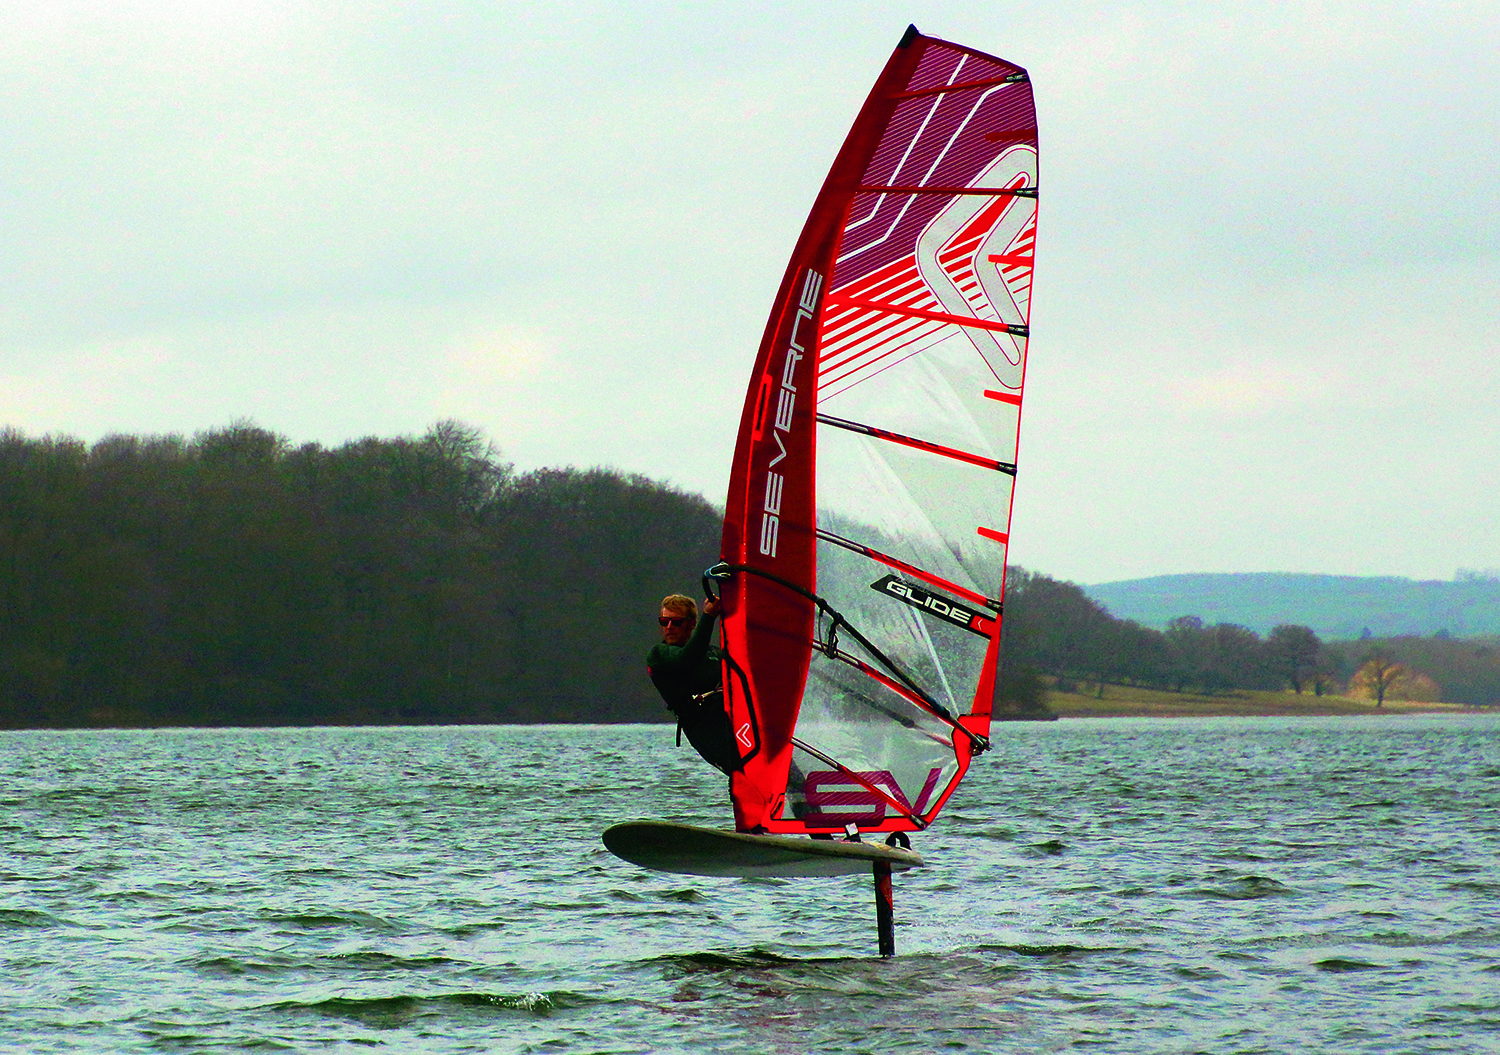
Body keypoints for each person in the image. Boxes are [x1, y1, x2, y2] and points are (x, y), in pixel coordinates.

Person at [646, 593, 741, 775]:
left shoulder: (713, 653)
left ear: (691, 624)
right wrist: (709, 616)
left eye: (676, 622)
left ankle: (804, 795)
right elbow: (686, 659)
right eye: (664, 622)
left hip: (735, 719)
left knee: (779, 764)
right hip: (703, 728)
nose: (669, 627)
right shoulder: (659, 654)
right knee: (742, 770)